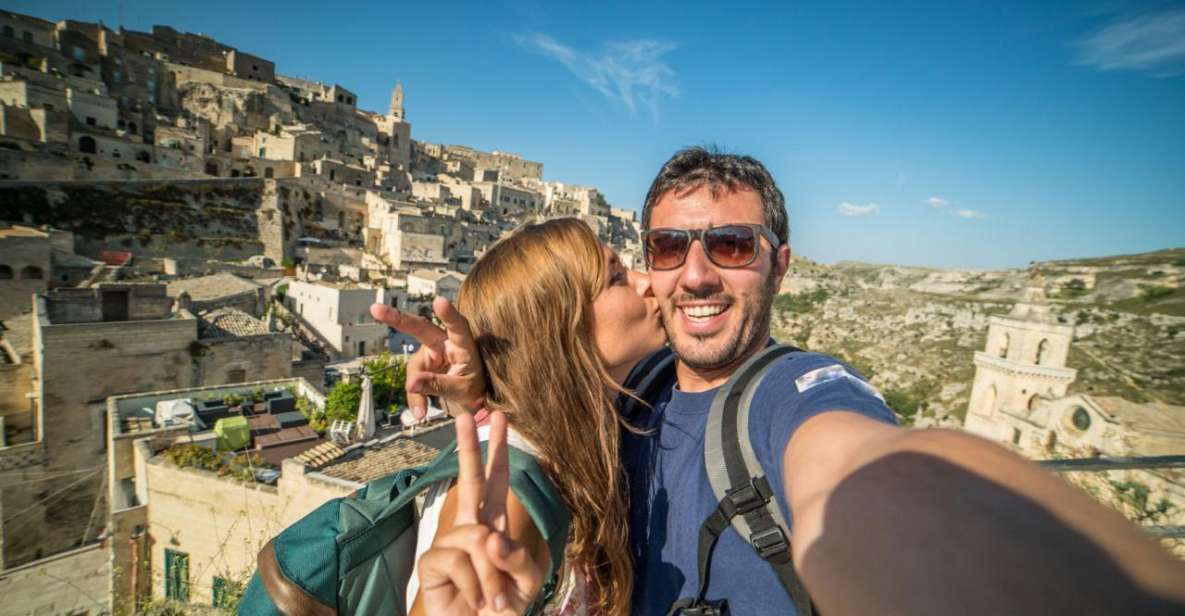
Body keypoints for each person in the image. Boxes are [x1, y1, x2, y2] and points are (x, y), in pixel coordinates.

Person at [379, 147, 1185, 615]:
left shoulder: (792, 394)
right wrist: (483, 378)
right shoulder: (578, 426)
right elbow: (495, 527)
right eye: (657, 254)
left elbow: (859, 469)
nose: (689, 277)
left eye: (730, 245)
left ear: (780, 266)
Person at [385, 218, 666, 616]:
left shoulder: (571, 444)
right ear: (560, 328)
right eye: (617, 277)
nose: (647, 281)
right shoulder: (511, 490)